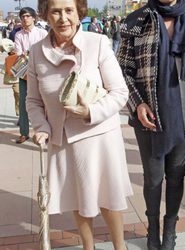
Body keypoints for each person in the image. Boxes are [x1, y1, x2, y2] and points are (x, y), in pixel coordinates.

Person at [26, 0, 133, 250]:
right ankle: (88, 246)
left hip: (99, 135)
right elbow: (32, 100)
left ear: (79, 13)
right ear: (45, 15)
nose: (63, 18)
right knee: (78, 199)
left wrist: (91, 111)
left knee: (108, 198)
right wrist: (41, 126)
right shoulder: (36, 51)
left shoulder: (98, 44)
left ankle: (120, 247)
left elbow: (119, 92)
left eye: (68, 11)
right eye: (55, 11)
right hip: (62, 138)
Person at [117, 0, 185, 249]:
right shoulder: (136, 21)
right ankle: (153, 230)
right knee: (152, 178)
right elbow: (123, 70)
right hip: (148, 118)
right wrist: (137, 103)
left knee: (176, 176)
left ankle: (170, 229)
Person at [14, 7, 47, 143]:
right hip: (24, 74)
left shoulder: (42, 33)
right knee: (23, 104)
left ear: (34, 17)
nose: (25, 19)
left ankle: (44, 132)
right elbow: (18, 53)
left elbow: (46, 51)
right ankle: (24, 132)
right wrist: (30, 54)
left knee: (44, 103)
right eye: (22, 17)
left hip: (41, 73)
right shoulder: (18, 35)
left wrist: (28, 54)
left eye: (27, 16)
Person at [0, 38, 20, 121]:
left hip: (25, 79)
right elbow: (4, 69)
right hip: (16, 81)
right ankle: (20, 116)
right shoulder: (9, 58)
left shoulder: (19, 54)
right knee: (17, 95)